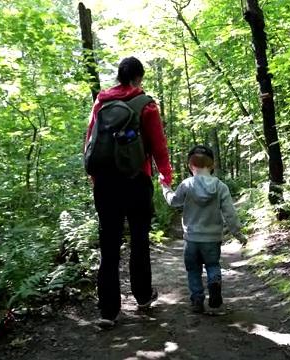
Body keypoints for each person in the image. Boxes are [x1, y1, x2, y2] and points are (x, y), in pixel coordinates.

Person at [84, 57, 173, 328]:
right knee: (138, 239)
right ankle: (143, 297)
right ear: (138, 77)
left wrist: (93, 174)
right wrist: (165, 175)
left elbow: (91, 139)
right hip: (136, 179)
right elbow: (158, 145)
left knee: (108, 244)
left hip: (105, 181)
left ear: (119, 76)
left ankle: (108, 311)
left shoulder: (101, 102)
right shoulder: (146, 105)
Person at [159, 145, 247, 313]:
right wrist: (238, 234)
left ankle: (197, 300)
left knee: (193, 270)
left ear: (190, 166)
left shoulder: (186, 185)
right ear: (212, 165)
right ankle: (214, 284)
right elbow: (230, 214)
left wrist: (165, 188)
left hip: (192, 239)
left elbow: (173, 201)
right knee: (212, 265)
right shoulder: (221, 187)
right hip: (212, 239)